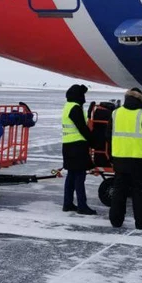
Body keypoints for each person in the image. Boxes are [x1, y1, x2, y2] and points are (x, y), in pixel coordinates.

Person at [109, 87, 142, 230]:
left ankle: (115, 220)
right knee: (139, 191)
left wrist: (112, 156)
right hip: (139, 160)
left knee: (119, 190)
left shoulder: (115, 113)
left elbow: (108, 135)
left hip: (119, 158)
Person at [61, 84, 97, 215]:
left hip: (68, 145)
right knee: (79, 177)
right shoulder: (75, 108)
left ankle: (68, 203)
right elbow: (82, 128)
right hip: (77, 146)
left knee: (71, 176)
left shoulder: (67, 106)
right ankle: (82, 206)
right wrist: (93, 142)